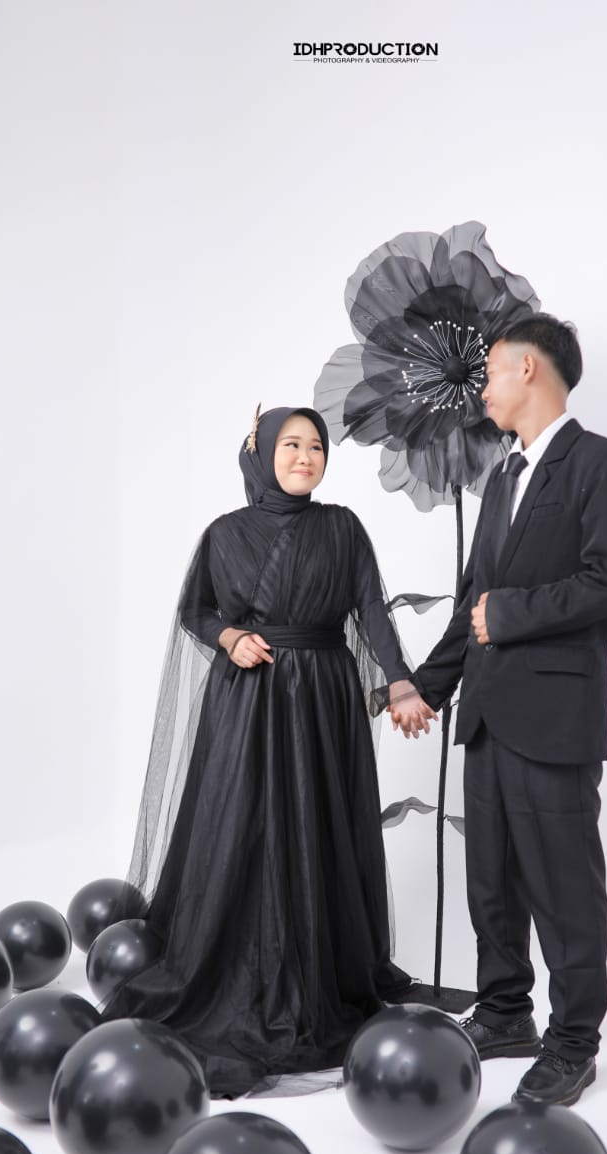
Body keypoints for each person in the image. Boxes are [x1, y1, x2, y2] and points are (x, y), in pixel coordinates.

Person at [104, 405, 418, 1098]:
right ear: (263, 453)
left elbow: (370, 609)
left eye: (316, 447)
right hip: (249, 696)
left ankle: (315, 973)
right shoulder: (224, 534)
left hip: (324, 697)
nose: (306, 457)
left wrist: (399, 681)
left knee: (316, 825)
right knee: (242, 825)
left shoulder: (343, 528)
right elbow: (196, 610)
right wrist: (230, 638)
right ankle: (239, 969)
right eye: (291, 445)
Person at [391, 315, 607, 1106]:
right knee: (492, 884)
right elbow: (472, 599)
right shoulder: (501, 476)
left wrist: (510, 614)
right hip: (487, 717)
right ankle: (505, 1013)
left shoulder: (597, 462)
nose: (483, 388)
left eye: (492, 371)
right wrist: (423, 686)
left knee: (562, 888)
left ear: (528, 369)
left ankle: (572, 1043)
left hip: (554, 718)